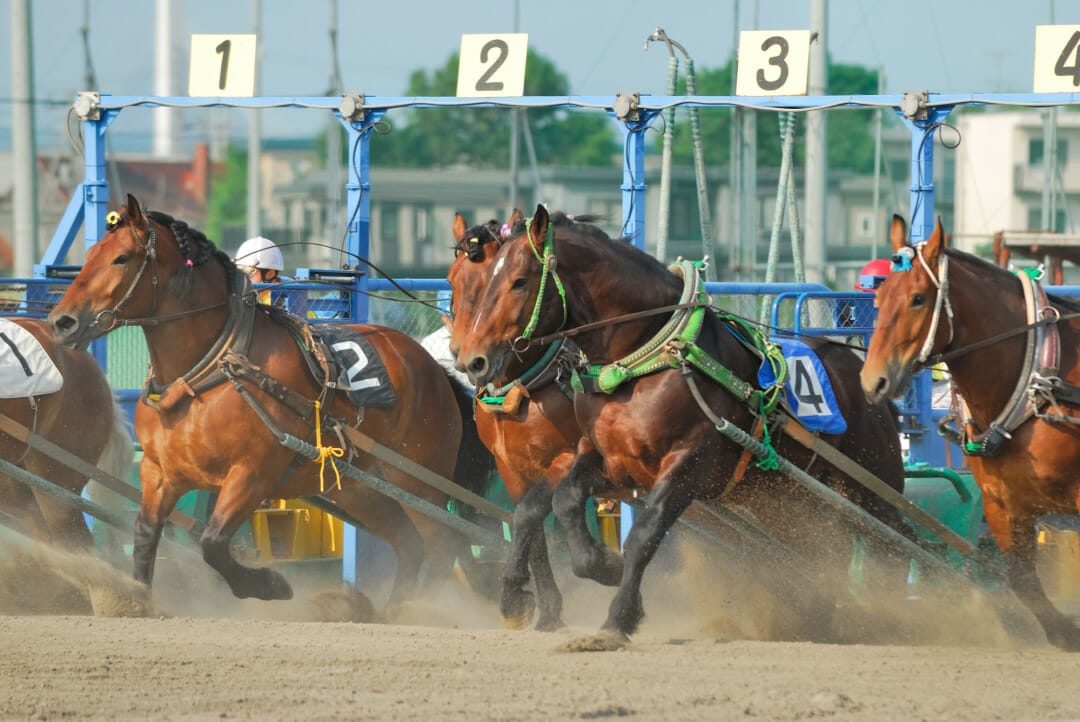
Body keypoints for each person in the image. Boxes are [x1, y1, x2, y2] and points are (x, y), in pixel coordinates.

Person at [234, 236, 287, 306]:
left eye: (250, 273)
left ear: (270, 274)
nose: (244, 279)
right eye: (241, 272)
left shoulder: (283, 301)